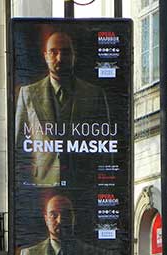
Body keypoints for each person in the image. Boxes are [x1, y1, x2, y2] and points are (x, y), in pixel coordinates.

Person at [15, 31, 110, 187]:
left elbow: (106, 144)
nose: (60, 58)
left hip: (84, 183)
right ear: (45, 55)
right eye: (54, 52)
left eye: (66, 52)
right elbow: (19, 145)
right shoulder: (28, 94)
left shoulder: (94, 94)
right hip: (42, 184)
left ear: (74, 55)